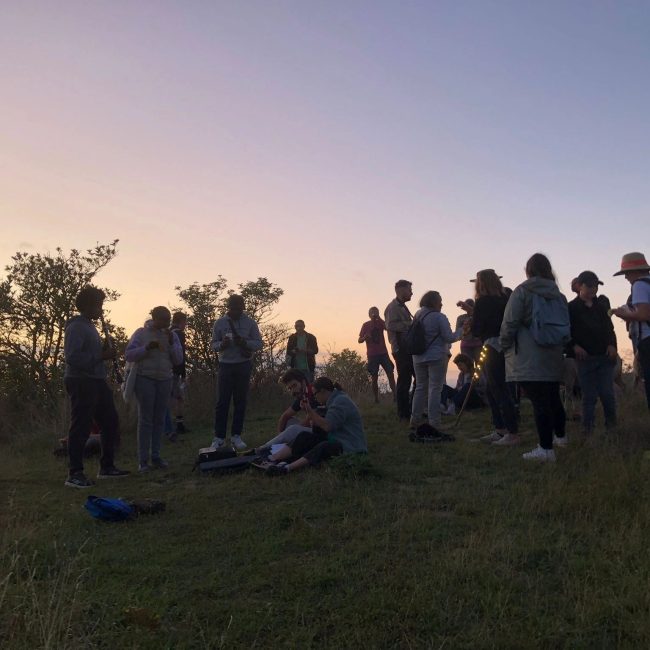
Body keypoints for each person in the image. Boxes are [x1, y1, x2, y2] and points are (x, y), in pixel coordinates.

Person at [500, 253, 568, 462]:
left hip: (530, 354)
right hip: (554, 352)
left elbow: (510, 322)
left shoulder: (522, 291)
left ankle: (546, 450)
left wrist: (503, 344)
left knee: (539, 403)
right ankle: (561, 438)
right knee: (553, 398)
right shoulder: (559, 295)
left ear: (528, 270)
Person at [63, 286, 130, 488]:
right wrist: (102, 355)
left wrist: (103, 351)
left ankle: (107, 467)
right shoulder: (76, 327)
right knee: (81, 425)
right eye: (98, 305)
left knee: (110, 421)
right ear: (87, 305)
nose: (101, 310)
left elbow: (89, 354)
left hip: (96, 380)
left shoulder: (90, 326)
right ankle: (74, 473)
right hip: (81, 381)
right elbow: (73, 358)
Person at [255, 377, 367, 476]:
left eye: (315, 394)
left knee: (325, 446)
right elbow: (323, 427)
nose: (314, 398)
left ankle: (287, 468)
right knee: (305, 436)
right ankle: (274, 459)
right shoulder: (334, 400)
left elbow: (328, 426)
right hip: (338, 439)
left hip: (351, 447)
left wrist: (309, 411)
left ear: (323, 391)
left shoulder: (340, 401)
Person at [460, 269, 520, 446]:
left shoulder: (483, 301)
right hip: (508, 346)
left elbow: (478, 329)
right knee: (497, 388)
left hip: (490, 346)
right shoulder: (505, 299)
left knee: (497, 389)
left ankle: (511, 432)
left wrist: (472, 323)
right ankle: (501, 429)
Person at [125, 307, 183, 472]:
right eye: (163, 319)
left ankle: (156, 456)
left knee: (159, 419)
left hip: (165, 379)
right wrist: (146, 348)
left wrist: (172, 343)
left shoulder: (172, 336)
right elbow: (129, 354)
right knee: (145, 419)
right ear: (154, 318)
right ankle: (143, 461)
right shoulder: (141, 333)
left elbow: (178, 360)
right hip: (145, 379)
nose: (166, 323)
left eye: (168, 319)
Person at [210, 294, 263, 450]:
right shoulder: (219, 323)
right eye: (234, 308)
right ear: (229, 308)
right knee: (222, 402)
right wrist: (222, 345)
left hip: (243, 365)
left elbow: (259, 343)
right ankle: (219, 437)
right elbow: (213, 344)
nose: (237, 311)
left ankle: (236, 436)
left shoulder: (250, 323)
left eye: (239, 308)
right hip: (225, 365)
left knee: (240, 401)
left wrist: (244, 343)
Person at [567, 271, 618, 433]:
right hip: (584, 359)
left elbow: (609, 329)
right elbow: (565, 332)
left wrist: (611, 345)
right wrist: (573, 346)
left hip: (603, 357)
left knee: (607, 394)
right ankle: (587, 431)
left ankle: (612, 428)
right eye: (589, 286)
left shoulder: (601, 306)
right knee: (588, 397)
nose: (593, 289)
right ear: (579, 286)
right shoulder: (571, 308)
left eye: (595, 286)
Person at [410, 291, 462, 430]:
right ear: (434, 302)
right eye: (440, 300)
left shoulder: (417, 315)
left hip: (418, 356)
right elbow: (449, 337)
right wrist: (462, 331)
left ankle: (414, 419)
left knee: (420, 387)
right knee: (435, 389)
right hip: (436, 356)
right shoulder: (440, 317)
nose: (442, 303)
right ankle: (434, 422)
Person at [254, 369, 327, 454]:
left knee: (293, 429)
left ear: (303, 382)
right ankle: (278, 446)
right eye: (290, 388)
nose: (293, 390)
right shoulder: (302, 395)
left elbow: (308, 422)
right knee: (289, 421)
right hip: (311, 429)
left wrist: (287, 433)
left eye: (294, 385)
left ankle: (262, 449)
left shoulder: (314, 393)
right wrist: (280, 435)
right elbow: (284, 416)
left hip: (322, 432)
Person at [611, 251, 650, 408]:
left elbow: (643, 314)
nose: (626, 277)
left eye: (626, 273)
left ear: (635, 271)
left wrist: (623, 314)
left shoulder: (639, 285)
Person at [384, 280, 415, 420]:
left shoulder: (401, 307)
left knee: (416, 379)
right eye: (409, 290)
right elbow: (390, 326)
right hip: (401, 350)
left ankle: (411, 409)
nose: (411, 293)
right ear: (400, 290)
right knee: (404, 381)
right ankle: (404, 413)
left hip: (407, 349)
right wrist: (412, 325)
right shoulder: (393, 307)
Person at [358, 306, 396, 403]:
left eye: (376, 312)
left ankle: (396, 396)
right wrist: (365, 337)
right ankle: (376, 399)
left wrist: (379, 318)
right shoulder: (365, 325)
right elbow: (359, 340)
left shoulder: (380, 323)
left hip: (383, 353)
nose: (374, 314)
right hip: (372, 355)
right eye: (372, 312)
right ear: (369, 314)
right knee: (374, 377)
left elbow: (388, 327)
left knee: (390, 373)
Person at [165, 311, 188, 441]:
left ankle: (175, 425)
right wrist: (183, 374)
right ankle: (176, 426)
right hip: (175, 371)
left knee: (174, 398)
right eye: (185, 322)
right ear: (181, 321)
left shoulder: (167, 332)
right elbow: (181, 355)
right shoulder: (178, 334)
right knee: (176, 399)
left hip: (167, 370)